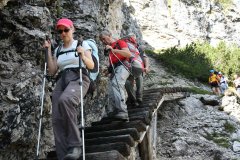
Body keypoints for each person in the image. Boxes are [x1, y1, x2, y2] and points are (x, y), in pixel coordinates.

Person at [43, 18, 94, 160]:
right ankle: (63, 154)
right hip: (62, 79)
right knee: (56, 117)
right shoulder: (59, 49)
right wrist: (48, 50)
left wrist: (83, 55)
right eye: (60, 31)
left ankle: (75, 145)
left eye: (66, 30)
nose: (63, 33)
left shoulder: (82, 44)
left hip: (79, 76)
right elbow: (52, 71)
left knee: (66, 100)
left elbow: (91, 66)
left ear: (73, 29)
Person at [99, 30, 132, 121]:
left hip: (123, 66)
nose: (103, 42)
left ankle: (122, 111)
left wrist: (113, 50)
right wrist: (108, 70)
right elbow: (114, 61)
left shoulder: (119, 43)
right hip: (115, 68)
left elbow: (128, 54)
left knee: (116, 84)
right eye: (102, 40)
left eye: (104, 39)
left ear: (109, 35)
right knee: (111, 88)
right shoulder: (109, 48)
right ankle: (114, 111)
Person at [125, 36, 150, 106]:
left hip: (135, 67)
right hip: (129, 68)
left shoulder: (137, 48)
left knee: (137, 79)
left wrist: (147, 67)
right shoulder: (127, 47)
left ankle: (138, 98)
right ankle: (134, 99)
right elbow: (145, 58)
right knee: (129, 82)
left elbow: (145, 58)